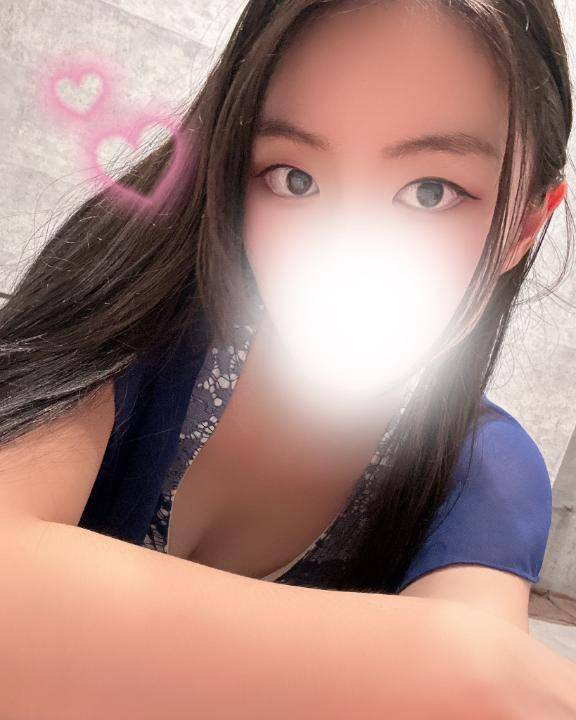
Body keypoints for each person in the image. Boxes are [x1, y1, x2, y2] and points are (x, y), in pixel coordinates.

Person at [0, 0, 575, 718]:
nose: (347, 252)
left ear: (525, 226)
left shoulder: (485, 470)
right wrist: (450, 660)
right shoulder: (135, 318)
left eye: (431, 192)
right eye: (294, 178)